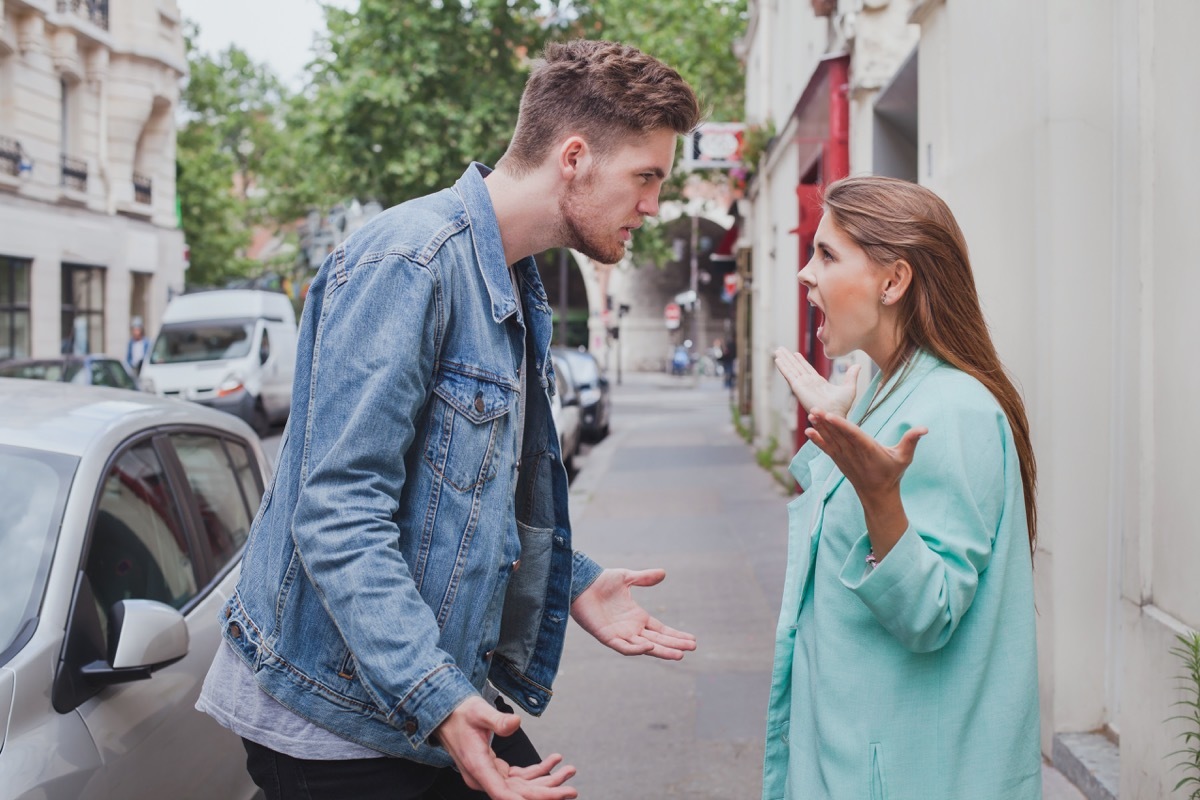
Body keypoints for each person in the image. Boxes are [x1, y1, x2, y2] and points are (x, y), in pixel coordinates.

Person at [195, 40, 702, 800]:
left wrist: (572, 581)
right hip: (332, 716)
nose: (654, 206)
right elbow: (336, 514)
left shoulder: (509, 278)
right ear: (573, 157)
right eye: (646, 177)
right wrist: (438, 698)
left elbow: (464, 499)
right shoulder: (410, 263)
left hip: (409, 686)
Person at [764, 176, 1041, 799]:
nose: (806, 275)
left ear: (893, 281)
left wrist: (881, 497)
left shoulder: (952, 408)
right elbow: (837, 536)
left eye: (827, 255)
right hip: (858, 757)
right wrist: (839, 425)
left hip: (904, 772)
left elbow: (929, 612)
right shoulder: (893, 391)